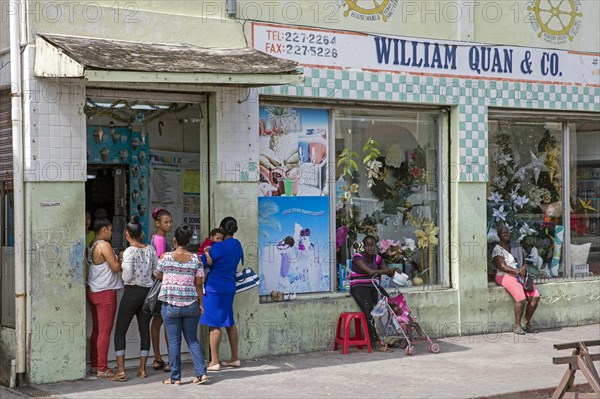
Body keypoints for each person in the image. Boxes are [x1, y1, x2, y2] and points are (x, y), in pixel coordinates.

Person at [155, 224, 208, 385]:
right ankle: (201, 374)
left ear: (175, 239)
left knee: (174, 341)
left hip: (170, 306)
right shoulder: (196, 259)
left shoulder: (165, 257)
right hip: (191, 304)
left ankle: (175, 378)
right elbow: (199, 284)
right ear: (189, 241)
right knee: (192, 340)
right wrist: (200, 303)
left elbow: (158, 275)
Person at [111, 216, 159, 382]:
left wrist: (122, 265)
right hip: (147, 293)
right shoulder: (151, 249)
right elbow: (156, 271)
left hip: (132, 293)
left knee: (120, 331)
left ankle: (122, 370)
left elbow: (128, 276)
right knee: (144, 329)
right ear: (141, 233)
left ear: (127, 234)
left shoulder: (129, 251)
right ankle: (142, 369)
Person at [200, 216, 244, 371]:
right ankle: (234, 358)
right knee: (229, 322)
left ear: (222, 229)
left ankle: (214, 361)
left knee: (214, 324)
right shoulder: (237, 245)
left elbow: (202, 262)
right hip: (229, 287)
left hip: (214, 288)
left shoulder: (219, 247)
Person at [87, 217, 123, 378]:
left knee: (97, 329)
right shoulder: (104, 245)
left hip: (93, 289)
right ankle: (102, 368)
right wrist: (121, 257)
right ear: (103, 230)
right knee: (104, 331)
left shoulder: (92, 245)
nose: (111, 232)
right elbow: (115, 268)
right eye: (110, 229)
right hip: (105, 291)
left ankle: (95, 365)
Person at [349, 235, 396, 352]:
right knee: (368, 310)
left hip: (373, 286)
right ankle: (374, 340)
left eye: (372, 246)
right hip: (358, 287)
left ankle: (392, 337)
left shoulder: (378, 258)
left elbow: (388, 273)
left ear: (375, 246)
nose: (370, 248)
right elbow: (370, 271)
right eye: (367, 246)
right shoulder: (357, 257)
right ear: (363, 246)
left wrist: (394, 270)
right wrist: (387, 270)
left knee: (389, 303)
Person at [493, 224, 541, 335]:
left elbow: (523, 262)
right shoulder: (497, 249)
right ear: (499, 235)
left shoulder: (516, 246)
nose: (506, 234)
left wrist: (523, 268)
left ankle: (526, 323)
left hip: (519, 275)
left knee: (535, 297)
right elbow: (502, 266)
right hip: (504, 276)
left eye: (507, 232)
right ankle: (517, 326)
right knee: (520, 298)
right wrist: (519, 272)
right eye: (503, 233)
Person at [149, 208, 173, 372]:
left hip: (156, 284)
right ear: (158, 223)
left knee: (157, 321)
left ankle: (158, 357)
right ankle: (167, 358)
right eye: (166, 222)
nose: (169, 225)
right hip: (162, 284)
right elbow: (160, 266)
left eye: (170, 221)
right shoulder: (160, 240)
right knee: (165, 322)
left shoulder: (156, 238)